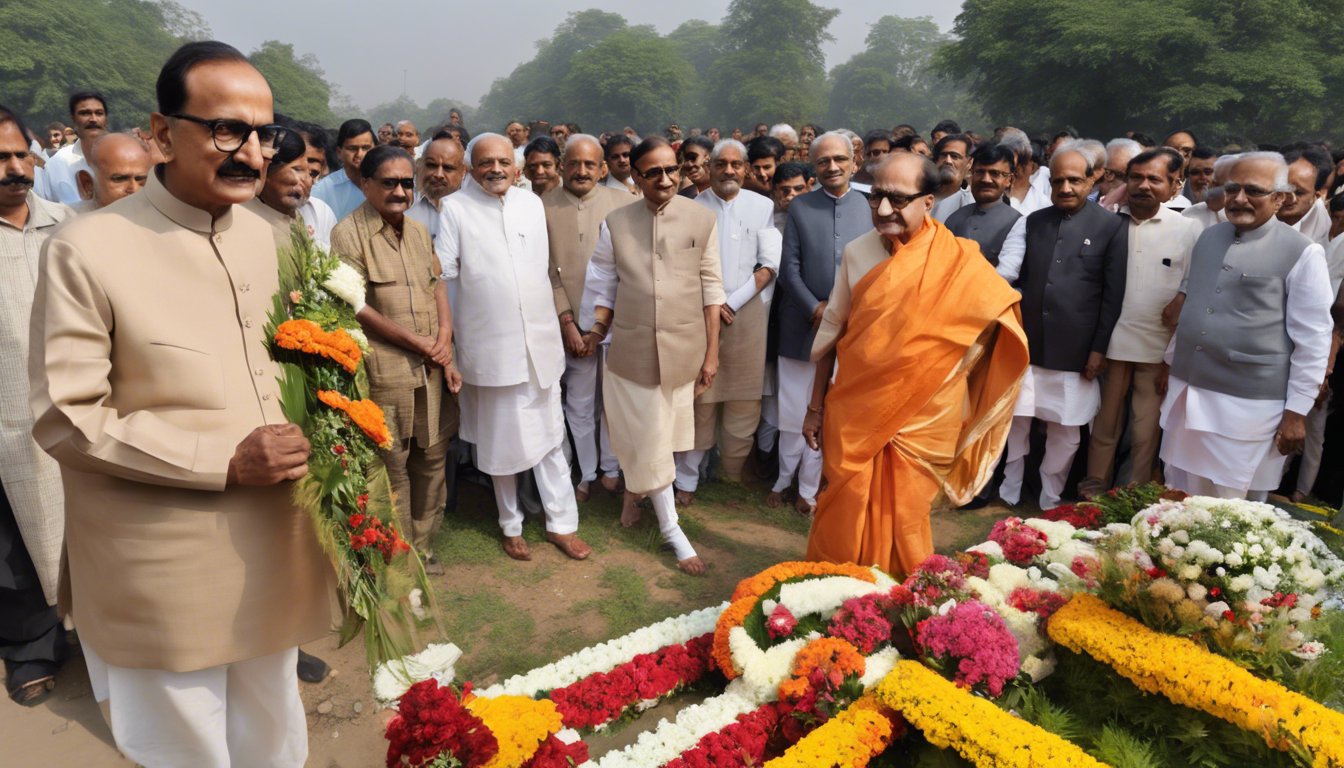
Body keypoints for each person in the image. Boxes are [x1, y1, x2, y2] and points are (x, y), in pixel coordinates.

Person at [30, 41, 332, 766]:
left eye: (262, 135)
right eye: (227, 130)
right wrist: (220, 460)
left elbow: (311, 365)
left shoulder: (276, 236)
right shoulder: (87, 248)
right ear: (162, 133)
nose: (252, 154)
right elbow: (65, 416)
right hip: (161, 563)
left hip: (275, 541)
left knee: (274, 731)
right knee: (185, 747)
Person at [802, 152, 1029, 575]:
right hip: (857, 409)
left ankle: (904, 595)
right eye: (876, 197)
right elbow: (832, 337)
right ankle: (836, 587)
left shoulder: (960, 258)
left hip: (926, 416)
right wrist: (815, 408)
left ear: (929, 201)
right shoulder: (856, 253)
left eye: (898, 199)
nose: (884, 210)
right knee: (847, 502)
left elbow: (996, 317)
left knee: (907, 514)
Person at [439, 133, 589, 562]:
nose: (496, 169)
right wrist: (450, 342)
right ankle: (510, 525)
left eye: (504, 161)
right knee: (500, 444)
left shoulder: (531, 204)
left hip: (539, 344)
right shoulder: (456, 208)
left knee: (551, 440)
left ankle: (563, 524)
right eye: (486, 162)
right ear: (470, 169)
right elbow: (445, 277)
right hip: (490, 348)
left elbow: (543, 269)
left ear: (517, 168)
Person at [580, 136, 722, 575]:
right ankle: (673, 531)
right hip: (631, 349)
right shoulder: (616, 221)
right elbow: (603, 284)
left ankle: (631, 494)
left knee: (662, 437)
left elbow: (712, 289)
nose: (665, 179)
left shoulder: (702, 217)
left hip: (684, 350)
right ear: (635, 177)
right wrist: (597, 330)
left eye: (672, 170)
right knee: (650, 437)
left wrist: (712, 354)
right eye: (653, 172)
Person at [1160, 152, 1333, 500]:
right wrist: (1171, 363)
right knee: (1181, 497)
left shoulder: (1303, 252)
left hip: (1249, 406)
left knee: (1233, 512)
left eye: (1253, 190)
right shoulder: (1208, 237)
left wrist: (1296, 412)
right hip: (1187, 391)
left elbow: (1313, 340)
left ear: (1279, 198)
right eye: (1233, 188)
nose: (1239, 198)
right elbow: (1196, 306)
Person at [330, 145, 458, 574]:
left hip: (432, 368)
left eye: (407, 182)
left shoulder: (421, 232)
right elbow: (356, 307)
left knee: (433, 459)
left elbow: (437, 284)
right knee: (392, 465)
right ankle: (397, 558)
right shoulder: (347, 235)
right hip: (385, 371)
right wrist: (419, 343)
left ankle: (423, 549)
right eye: (389, 182)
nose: (401, 191)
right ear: (365, 184)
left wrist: (443, 339)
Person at [996, 148, 1128, 509]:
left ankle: (1050, 496)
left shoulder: (1113, 226)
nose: (1066, 187)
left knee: (1067, 431)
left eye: (1075, 180)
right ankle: (1010, 487)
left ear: (1093, 179)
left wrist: (1098, 350)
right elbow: (1013, 276)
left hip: (1076, 349)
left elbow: (1113, 297)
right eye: (1058, 181)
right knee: (1017, 422)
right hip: (1028, 343)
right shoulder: (1033, 221)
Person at [0, 106, 74, 706]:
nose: (16, 169)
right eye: (1, 160)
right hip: (6, 421)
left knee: (80, 524)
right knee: (14, 542)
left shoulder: (66, 223)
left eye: (23, 155)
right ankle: (29, 648)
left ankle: (87, 630)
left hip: (74, 409)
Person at [1080, 149, 1201, 494]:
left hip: (1158, 348)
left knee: (1146, 430)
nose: (1143, 186)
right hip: (1111, 345)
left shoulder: (1189, 229)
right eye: (1136, 177)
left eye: (1154, 179)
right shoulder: (1108, 223)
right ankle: (1094, 490)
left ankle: (1134, 495)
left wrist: (1173, 359)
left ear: (1175, 185)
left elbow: (1194, 288)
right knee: (1104, 425)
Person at [672, 140, 781, 505]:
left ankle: (732, 477)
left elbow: (769, 266)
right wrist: (712, 304)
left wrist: (730, 302)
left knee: (745, 400)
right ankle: (687, 480)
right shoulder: (688, 206)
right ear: (709, 166)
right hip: (699, 313)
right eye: (721, 164)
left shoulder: (763, 206)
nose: (729, 171)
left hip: (747, 312)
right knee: (701, 398)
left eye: (736, 164)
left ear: (746, 168)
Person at [773, 133, 872, 515]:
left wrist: (848, 312)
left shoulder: (869, 207)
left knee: (833, 412)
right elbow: (789, 269)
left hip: (854, 327)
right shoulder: (800, 208)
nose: (832, 167)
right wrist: (815, 307)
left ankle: (812, 489)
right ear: (814, 167)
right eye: (823, 161)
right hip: (803, 324)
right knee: (794, 409)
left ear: (853, 162)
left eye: (839, 160)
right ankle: (785, 479)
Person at [542, 134, 627, 503]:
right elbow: (545, 271)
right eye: (573, 163)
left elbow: (628, 272)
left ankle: (611, 468)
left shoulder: (626, 204)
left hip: (615, 325)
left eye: (590, 164)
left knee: (614, 401)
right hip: (567, 327)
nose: (581, 171)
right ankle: (586, 472)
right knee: (577, 405)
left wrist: (599, 328)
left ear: (603, 168)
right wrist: (567, 324)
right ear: (561, 166)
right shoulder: (540, 206)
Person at [943, 141, 1022, 266]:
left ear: (1009, 180)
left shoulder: (1017, 223)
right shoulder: (955, 219)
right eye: (980, 172)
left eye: (995, 173)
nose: (986, 179)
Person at [43, 91, 109, 204]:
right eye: (85, 113)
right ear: (73, 118)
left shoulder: (125, 158)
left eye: (99, 113)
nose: (93, 119)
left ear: (105, 118)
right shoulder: (57, 164)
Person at [405, 133, 466, 242]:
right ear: (420, 166)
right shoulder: (401, 213)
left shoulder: (478, 217)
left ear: (463, 172)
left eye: (448, 168)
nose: (439, 174)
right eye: (432, 165)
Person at [312, 118, 376, 220]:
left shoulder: (388, 184)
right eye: (352, 148)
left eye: (365, 148)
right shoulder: (321, 190)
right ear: (339, 152)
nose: (359, 155)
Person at [73, 132, 151, 212]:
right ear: (88, 185)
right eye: (120, 179)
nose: (134, 189)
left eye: (140, 179)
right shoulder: (68, 222)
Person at [1277, 144, 1333, 243]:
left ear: (1316, 195)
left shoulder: (1319, 233)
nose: (1286, 197)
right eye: (1280, 188)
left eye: (1298, 192)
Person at [1183, 152, 1240, 231]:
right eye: (1195, 172)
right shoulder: (1187, 215)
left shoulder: (1242, 214)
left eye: (1208, 172)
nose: (1203, 177)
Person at [929, 133, 974, 221]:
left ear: (969, 163)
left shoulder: (971, 204)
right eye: (943, 155)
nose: (948, 161)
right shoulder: (917, 196)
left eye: (955, 156)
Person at [770, 160, 814, 230]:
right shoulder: (768, 221)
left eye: (798, 188)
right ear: (776, 190)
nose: (792, 195)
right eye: (785, 190)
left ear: (809, 186)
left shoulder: (821, 213)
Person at [676, 135, 714, 199]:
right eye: (684, 160)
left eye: (693, 157)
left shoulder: (730, 194)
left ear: (710, 157)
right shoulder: (682, 199)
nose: (688, 164)